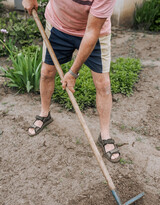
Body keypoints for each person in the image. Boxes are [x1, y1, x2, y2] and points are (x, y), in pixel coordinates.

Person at [22, 0, 120, 163]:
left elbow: (91, 32)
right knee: (47, 72)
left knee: (103, 84)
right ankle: (44, 114)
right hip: (58, 26)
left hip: (94, 33)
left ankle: (105, 135)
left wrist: (73, 73)